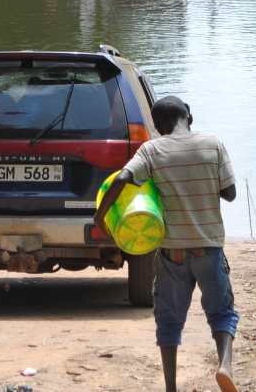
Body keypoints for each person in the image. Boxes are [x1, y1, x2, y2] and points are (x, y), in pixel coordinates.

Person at [94, 97, 239, 392]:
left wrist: (101, 217)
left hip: (172, 251)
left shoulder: (152, 149)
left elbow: (122, 178)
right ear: (189, 116)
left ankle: (171, 387)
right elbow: (230, 193)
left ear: (158, 128)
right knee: (222, 312)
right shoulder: (213, 143)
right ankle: (224, 365)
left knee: (169, 321)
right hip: (208, 247)